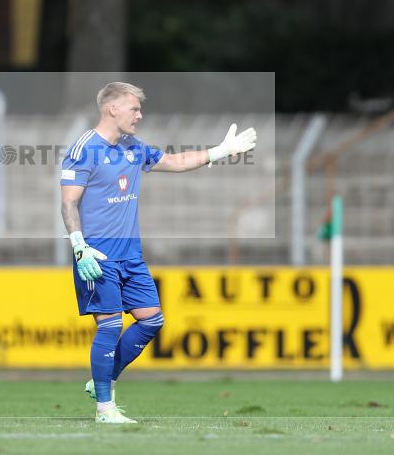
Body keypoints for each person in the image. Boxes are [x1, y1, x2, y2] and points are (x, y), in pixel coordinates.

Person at [60, 82, 257, 424]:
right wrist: (80, 248)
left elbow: (176, 161)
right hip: (97, 254)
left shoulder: (132, 147)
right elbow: (68, 202)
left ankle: (102, 380)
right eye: (134, 108)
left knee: (151, 319)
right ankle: (105, 409)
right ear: (112, 109)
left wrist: (220, 151)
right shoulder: (84, 149)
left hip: (131, 254)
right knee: (110, 325)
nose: (140, 115)